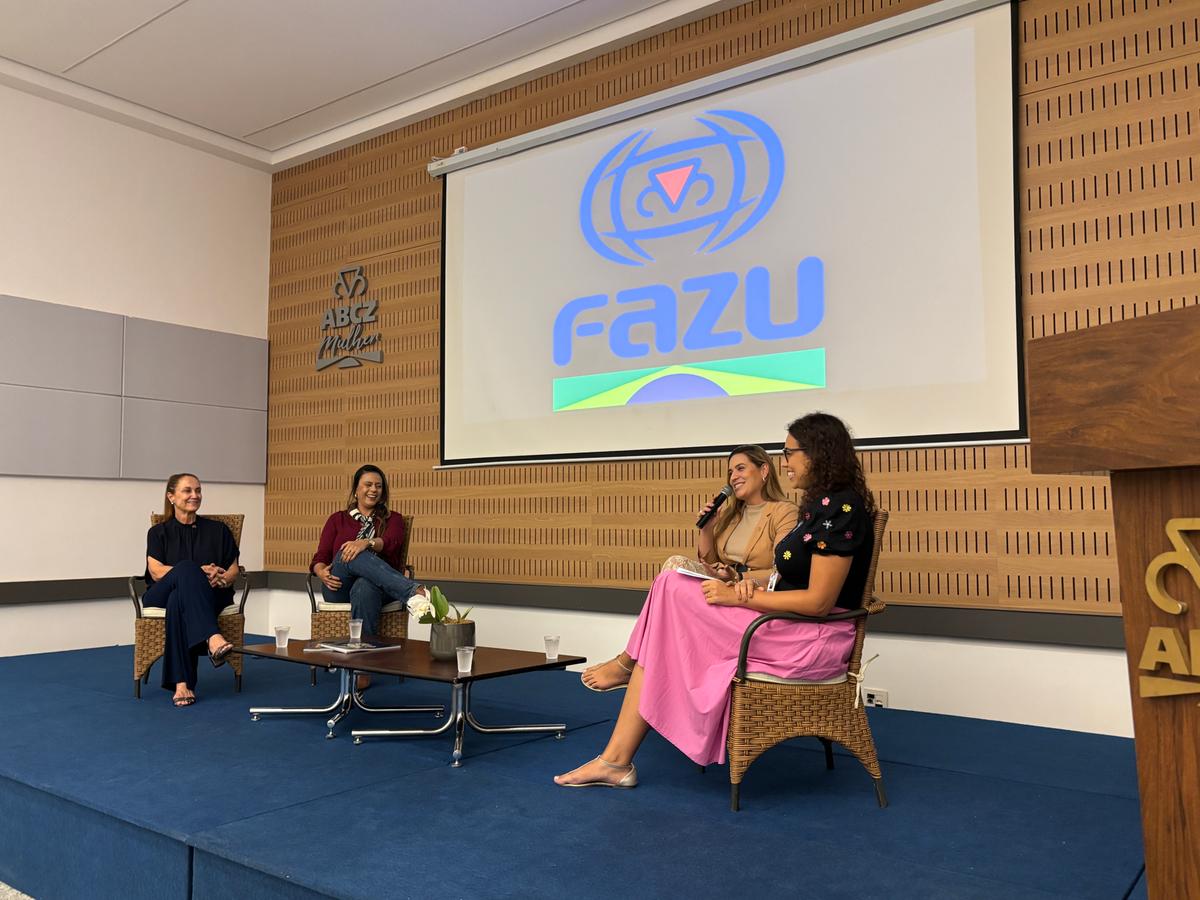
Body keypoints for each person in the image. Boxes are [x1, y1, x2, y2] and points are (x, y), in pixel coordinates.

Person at [555, 412, 876, 788]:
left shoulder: (841, 508)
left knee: (670, 590)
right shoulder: (818, 506)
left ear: (819, 452)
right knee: (671, 589)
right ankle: (614, 758)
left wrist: (740, 598)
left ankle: (622, 709)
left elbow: (819, 603)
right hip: (783, 623)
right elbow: (786, 576)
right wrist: (740, 585)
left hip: (809, 637)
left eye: (790, 453)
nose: (785, 461)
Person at [580, 444, 798, 692]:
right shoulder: (732, 514)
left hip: (749, 591)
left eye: (740, 468)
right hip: (721, 583)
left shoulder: (783, 511)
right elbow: (709, 560)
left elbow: (782, 570)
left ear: (764, 470)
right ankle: (638, 664)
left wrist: (738, 576)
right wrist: (708, 528)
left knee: (673, 568)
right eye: (730, 472)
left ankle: (629, 661)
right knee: (673, 570)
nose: (733, 477)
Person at [311, 464, 428, 689]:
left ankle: (362, 668)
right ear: (356, 490)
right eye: (368, 485)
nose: (373, 489)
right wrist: (320, 571)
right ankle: (412, 591)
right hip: (338, 585)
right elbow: (321, 555)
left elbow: (391, 544)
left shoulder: (393, 519)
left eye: (378, 486)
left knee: (364, 586)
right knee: (348, 552)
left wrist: (367, 543)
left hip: (379, 588)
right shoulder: (337, 519)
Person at [143, 473, 240, 707]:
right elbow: (156, 572)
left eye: (198, 490)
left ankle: (182, 684)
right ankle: (212, 637)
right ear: (171, 497)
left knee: (179, 600)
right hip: (160, 593)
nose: (194, 495)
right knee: (186, 569)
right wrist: (196, 571)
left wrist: (221, 578)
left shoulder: (218, 530)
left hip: (209, 594)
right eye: (187, 490)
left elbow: (233, 570)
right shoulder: (158, 532)